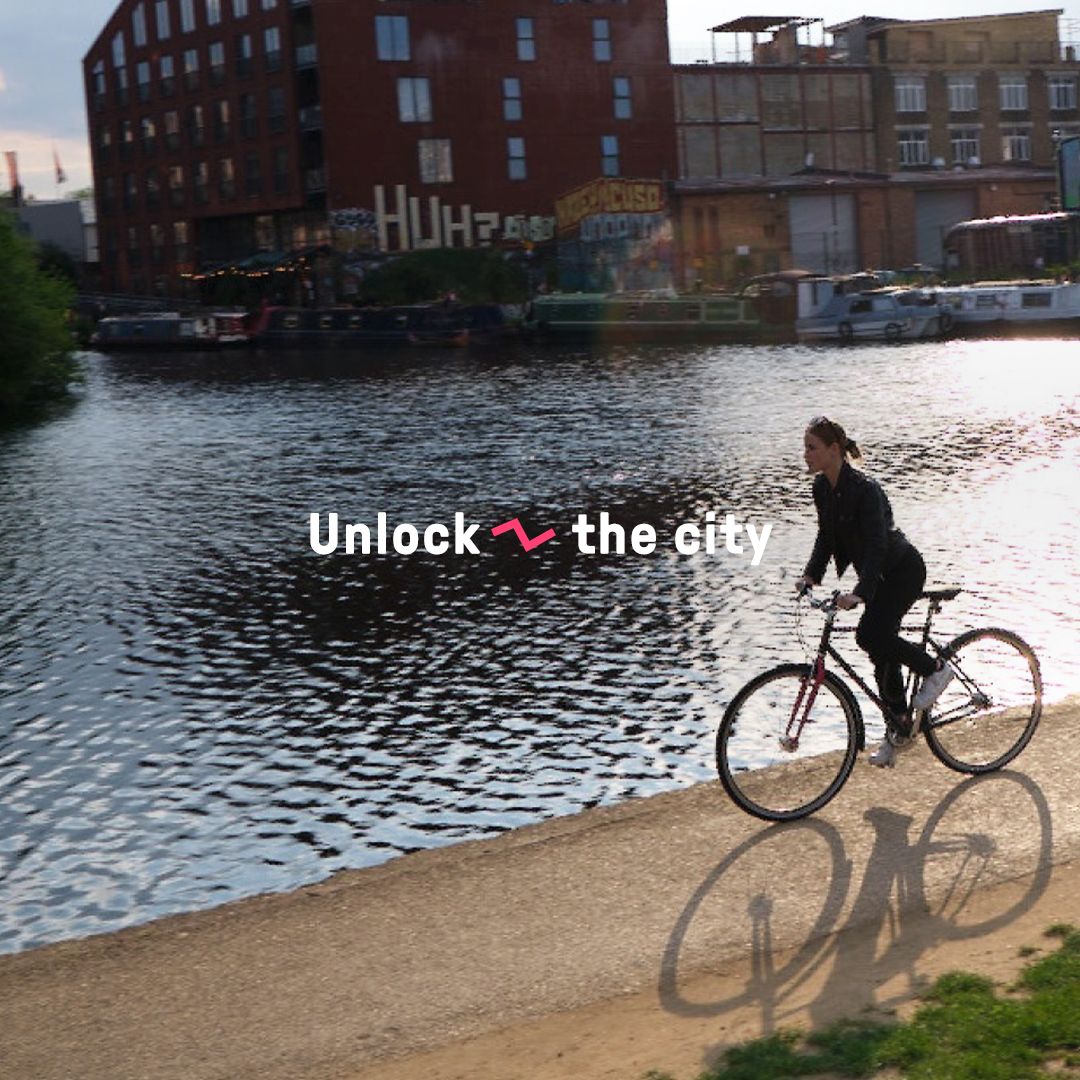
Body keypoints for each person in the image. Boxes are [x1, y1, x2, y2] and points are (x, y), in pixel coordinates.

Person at [795, 416, 955, 768]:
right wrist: (810, 575)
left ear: (833, 450)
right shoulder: (822, 488)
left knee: (871, 634)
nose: (805, 454)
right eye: (805, 447)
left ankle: (936, 670)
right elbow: (827, 536)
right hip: (877, 575)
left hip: (902, 570)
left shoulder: (866, 490)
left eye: (811, 448)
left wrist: (861, 593)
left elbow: (877, 546)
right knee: (879, 648)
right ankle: (898, 726)